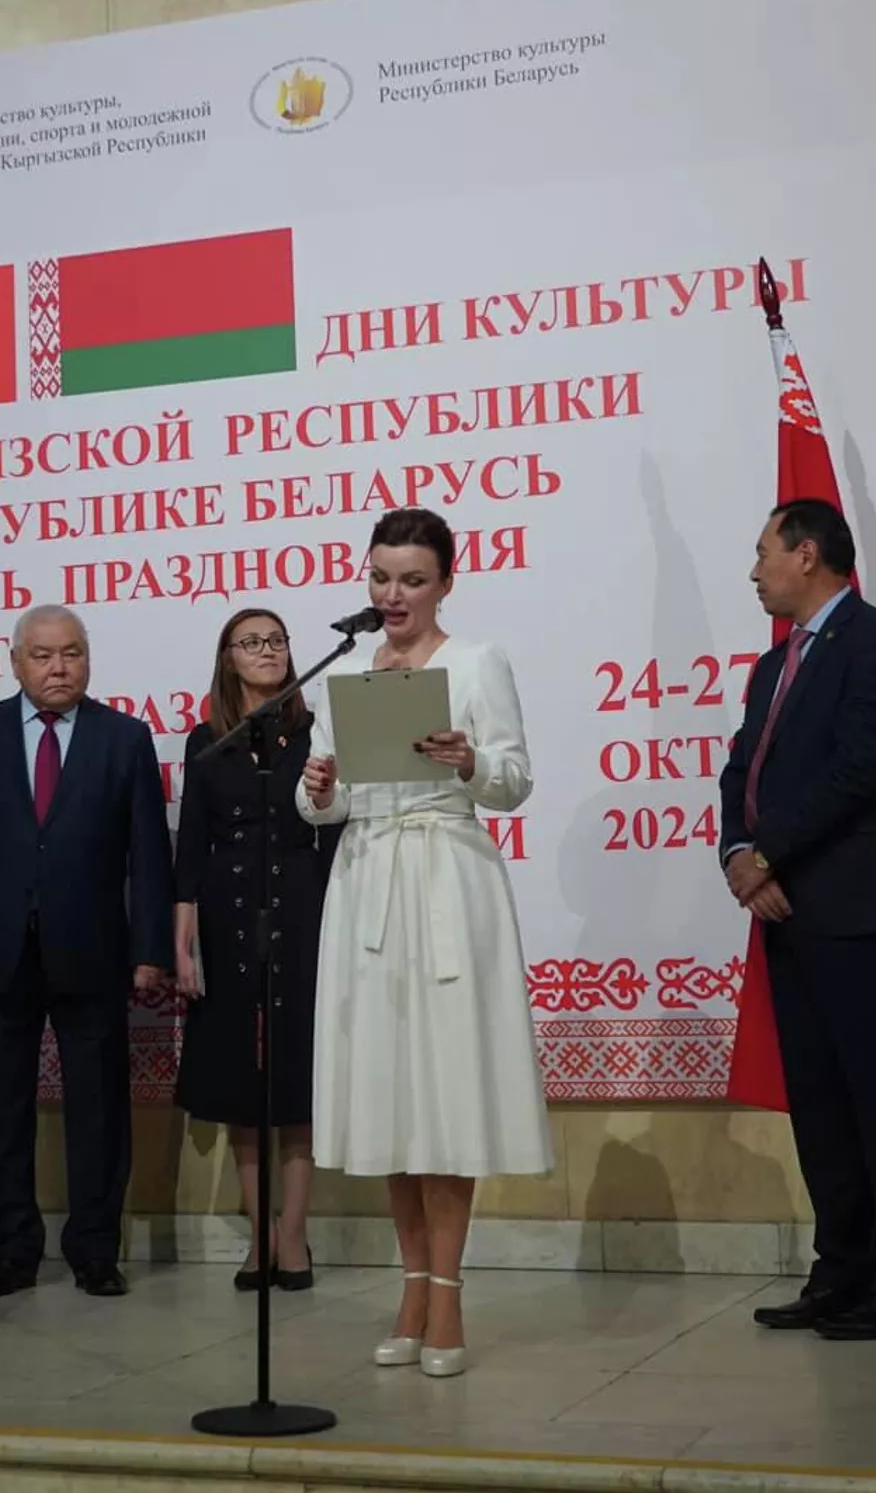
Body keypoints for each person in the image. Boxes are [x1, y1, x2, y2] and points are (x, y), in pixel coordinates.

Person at [299, 508, 550, 1379]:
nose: (393, 594)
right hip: (367, 879)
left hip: (446, 875)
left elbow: (513, 781)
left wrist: (466, 760)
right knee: (390, 1099)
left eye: (412, 579)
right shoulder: (348, 669)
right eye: (380, 577)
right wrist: (318, 786)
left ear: (446, 582)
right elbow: (324, 805)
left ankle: (447, 1296)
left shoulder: (477, 661)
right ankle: (409, 1291)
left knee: (445, 1097)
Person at [718, 499, 876, 1341]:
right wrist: (739, 855)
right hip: (785, 911)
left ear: (807, 554)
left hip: (854, 909)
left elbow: (863, 768)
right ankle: (840, 1271)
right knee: (818, 1105)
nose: (754, 572)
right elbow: (740, 772)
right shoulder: (772, 666)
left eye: (763, 552)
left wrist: (769, 854)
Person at [0, 604, 173, 1299]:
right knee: (2, 1107)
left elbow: (149, 854)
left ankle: (94, 1248)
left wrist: (150, 948)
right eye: (43, 655)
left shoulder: (124, 738)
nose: (59, 668)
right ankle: (12, 1247)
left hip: (94, 949)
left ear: (88, 660)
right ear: (15, 663)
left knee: (99, 1108)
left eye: (72, 654)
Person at [173, 608, 338, 1292]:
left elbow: (334, 828)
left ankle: (293, 1237)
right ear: (228, 658)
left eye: (276, 641)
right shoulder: (207, 739)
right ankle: (260, 1237)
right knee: (243, 1086)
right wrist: (182, 939)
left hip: (301, 905)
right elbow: (191, 842)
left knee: (295, 1082)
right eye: (252, 642)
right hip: (228, 912)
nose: (267, 651)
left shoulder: (316, 730)